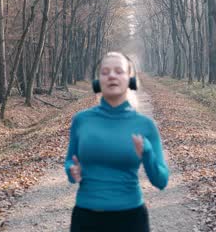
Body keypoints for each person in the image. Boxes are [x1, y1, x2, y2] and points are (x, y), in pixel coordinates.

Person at [64, 51, 169, 232]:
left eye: (119, 71)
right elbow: (69, 162)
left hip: (131, 219)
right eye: (105, 72)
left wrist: (147, 152)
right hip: (86, 218)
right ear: (98, 82)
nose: (112, 75)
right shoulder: (81, 120)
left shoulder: (145, 125)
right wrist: (71, 171)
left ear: (130, 80)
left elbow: (161, 181)